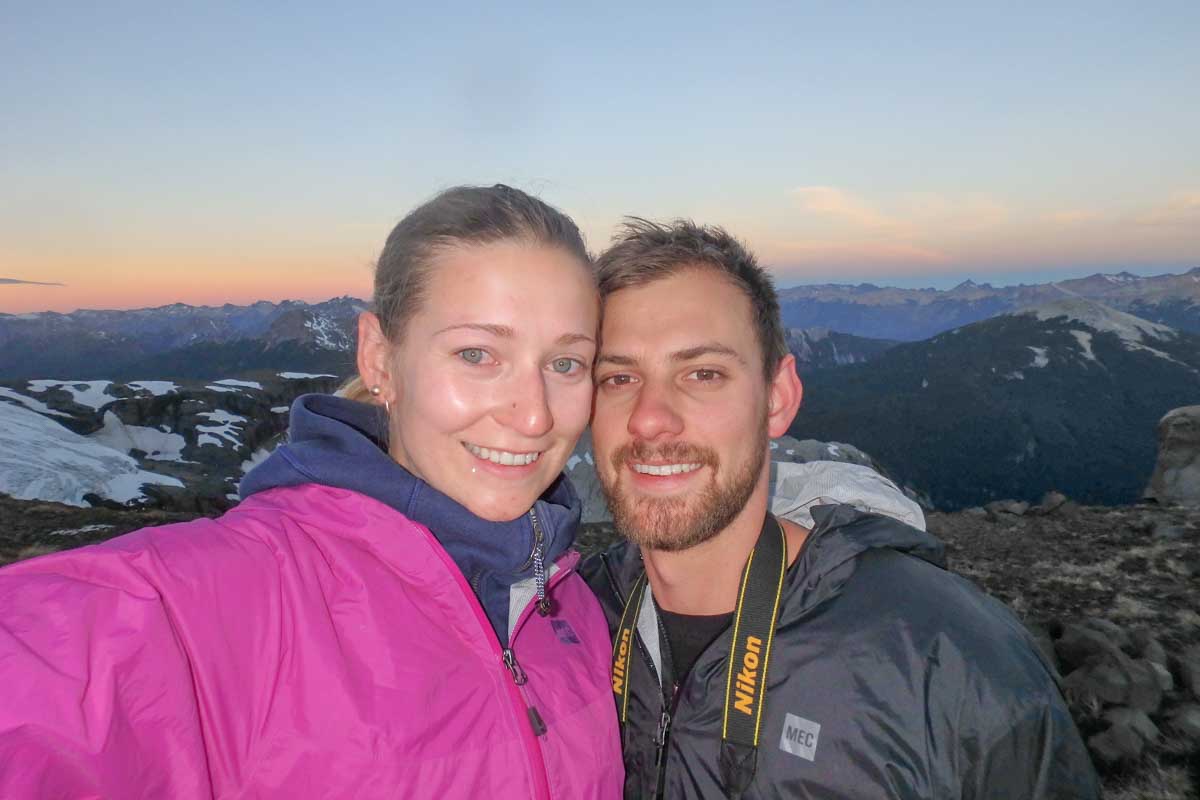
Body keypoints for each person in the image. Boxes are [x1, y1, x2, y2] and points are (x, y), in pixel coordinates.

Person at [0, 185, 623, 799]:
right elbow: (50, 669)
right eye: (477, 353)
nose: (536, 416)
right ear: (379, 359)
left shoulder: (575, 611)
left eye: (565, 364)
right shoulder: (237, 599)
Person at [579, 218, 1100, 798]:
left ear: (777, 400)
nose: (650, 417)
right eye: (619, 377)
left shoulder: (946, 660)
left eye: (703, 374)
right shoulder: (568, 623)